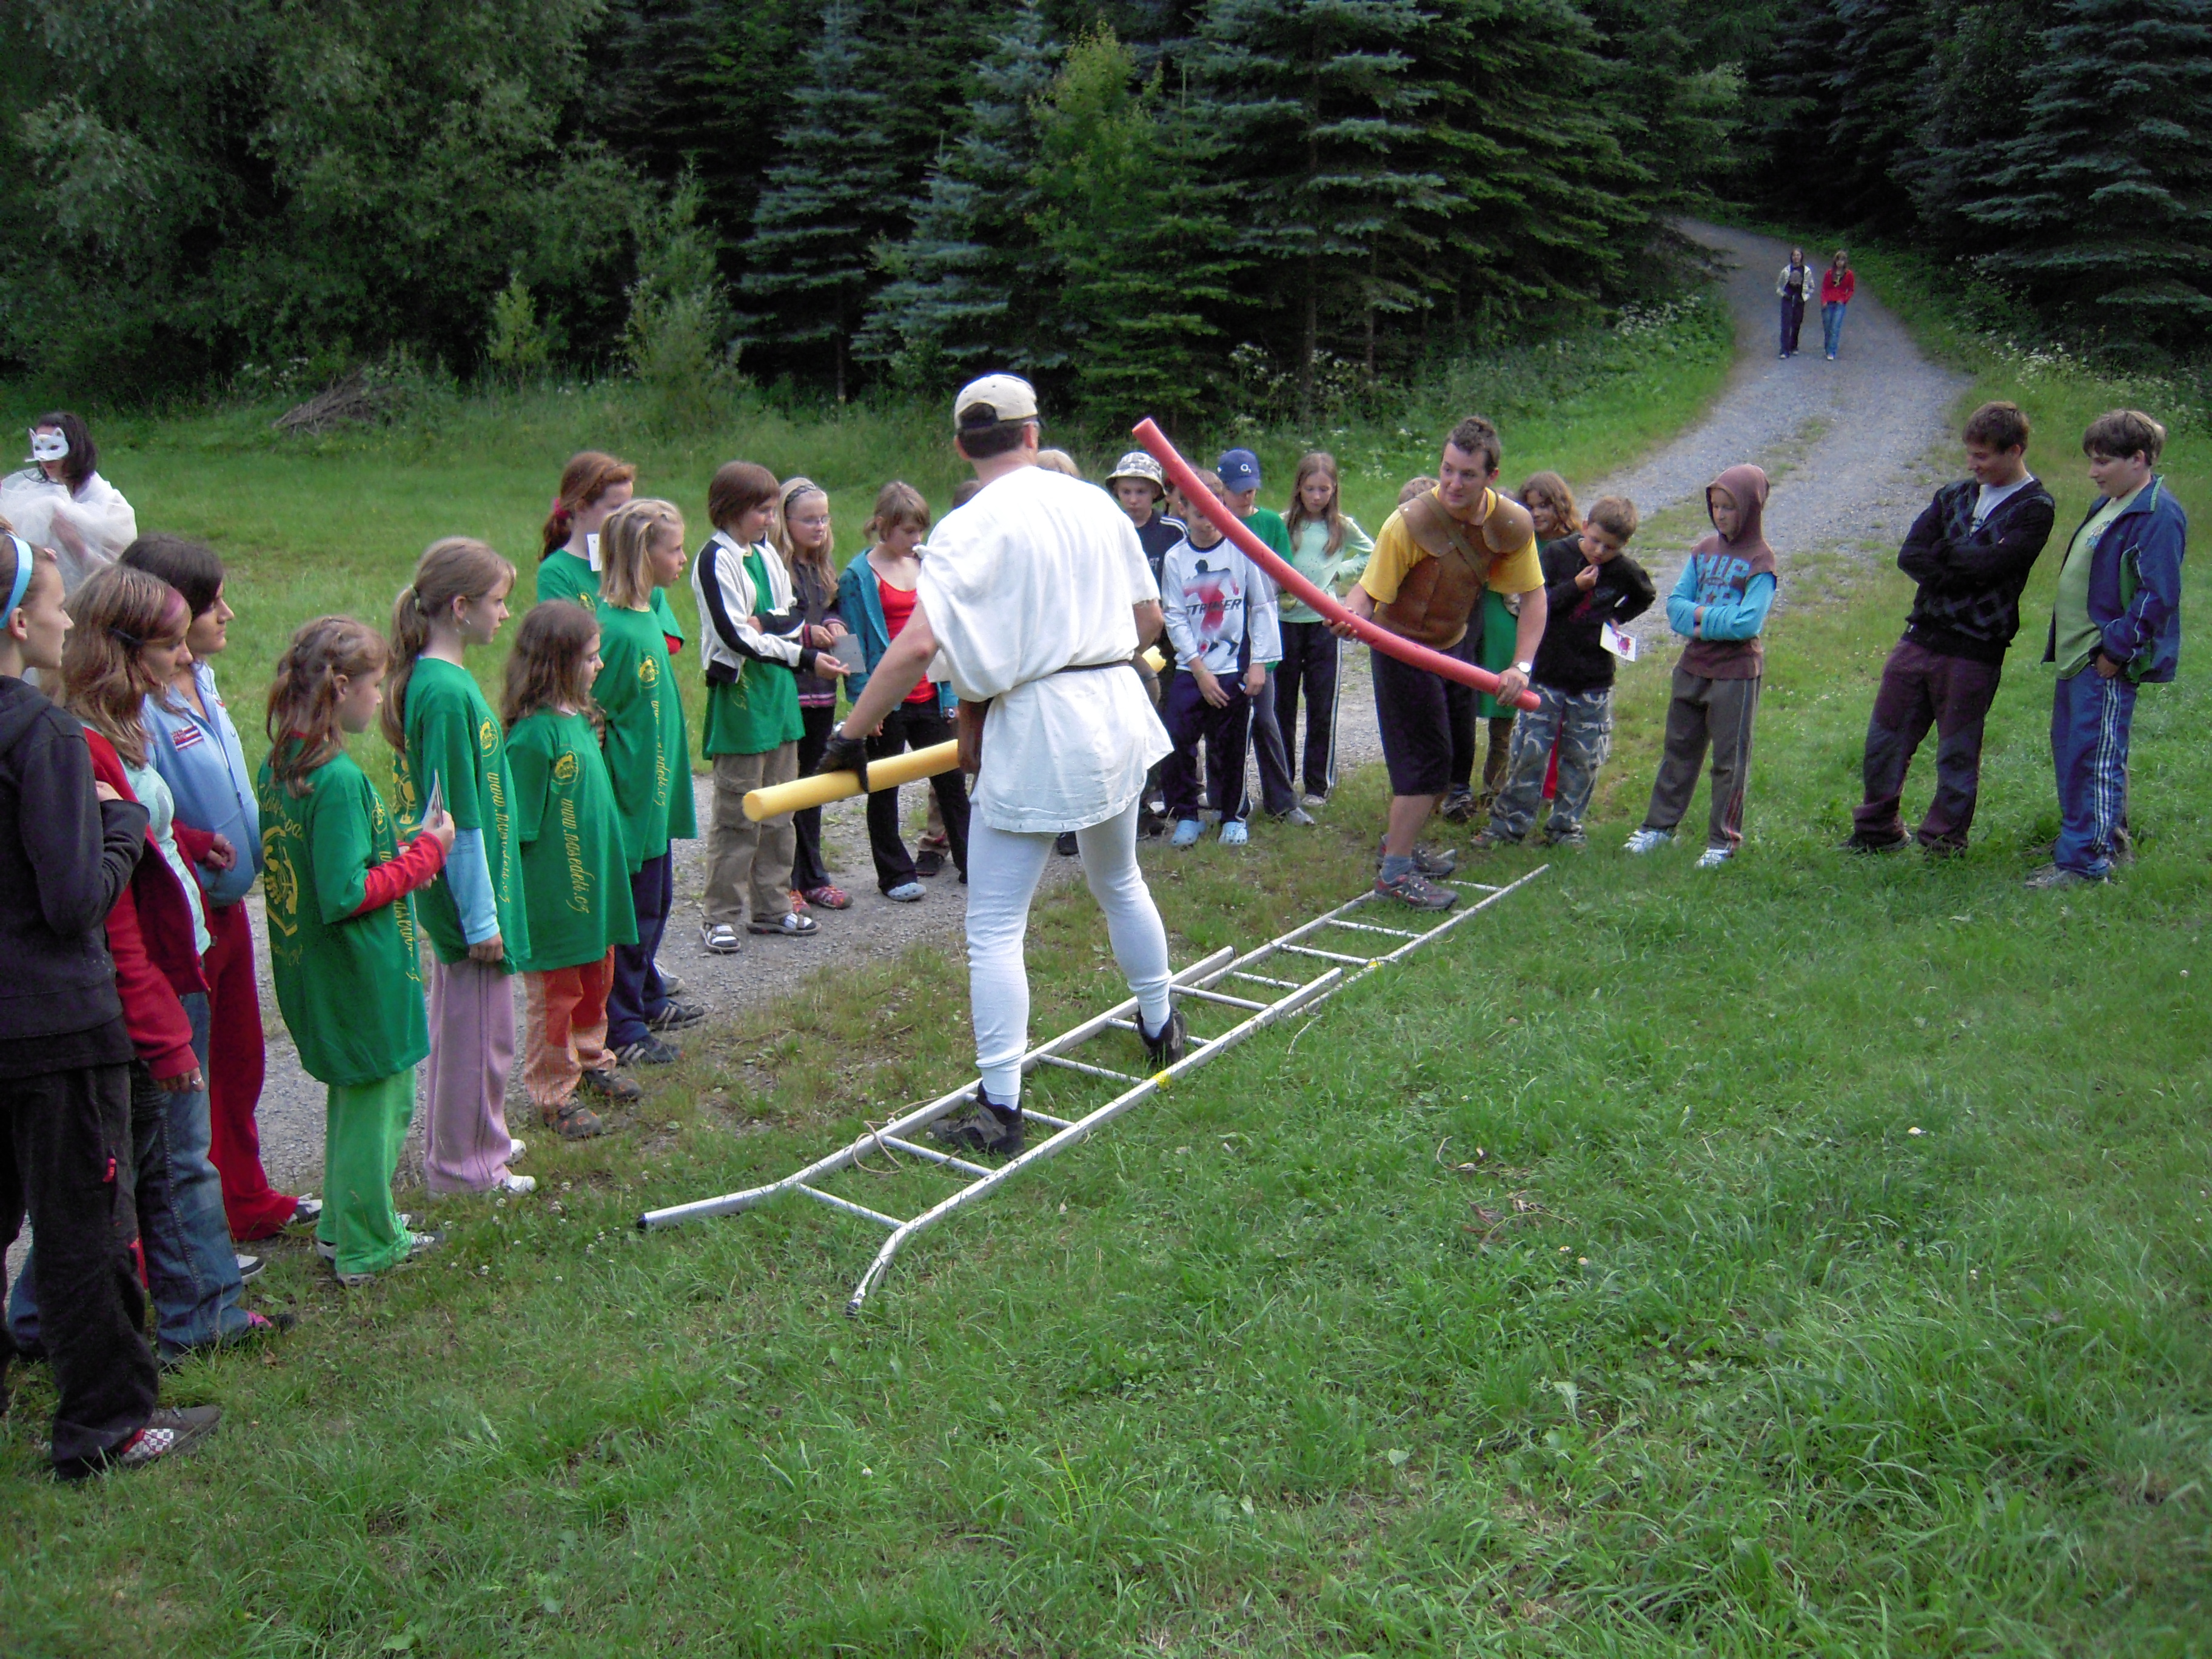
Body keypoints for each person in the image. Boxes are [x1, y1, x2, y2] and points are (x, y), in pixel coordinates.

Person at [820, 374, 1183, 1158]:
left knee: (993, 925)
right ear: (1033, 432)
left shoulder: (966, 528)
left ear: (961, 446)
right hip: (1112, 707)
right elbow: (1149, 619)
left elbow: (918, 645)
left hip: (1041, 724)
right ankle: (1162, 1025)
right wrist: (1097, 654)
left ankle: (1000, 1109)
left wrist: (850, 733)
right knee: (1119, 879)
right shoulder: (1096, 505)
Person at [15, 565, 289, 1367]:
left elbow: (138, 829)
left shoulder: (122, 727)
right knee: (171, 1165)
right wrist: (164, 1033)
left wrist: (190, 842)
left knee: (135, 1166)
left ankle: (38, 1319)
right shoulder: (82, 744)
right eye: (170, 644)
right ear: (123, 650)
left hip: (174, 973)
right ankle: (200, 1315)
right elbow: (113, 914)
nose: (185, 658)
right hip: (151, 989)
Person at [0, 532, 214, 1477]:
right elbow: (75, 898)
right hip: (57, 1026)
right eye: (53, 605)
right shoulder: (40, 736)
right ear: (18, 622)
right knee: (85, 1229)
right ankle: (106, 1425)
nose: (64, 620)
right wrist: (121, 825)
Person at [122, 535, 316, 1243]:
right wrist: (195, 843)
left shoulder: (200, 677)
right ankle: (187, 1237)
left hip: (230, 908)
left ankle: (245, 1198)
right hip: (185, 914)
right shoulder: (140, 704)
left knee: (240, 1061)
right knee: (189, 1080)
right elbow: (139, 808)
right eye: (212, 605)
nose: (227, 615)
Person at [257, 617, 454, 1285]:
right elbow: (344, 892)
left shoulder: (283, 762)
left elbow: (334, 856)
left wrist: (399, 841)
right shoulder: (336, 779)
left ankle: (342, 1227)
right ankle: (369, 1247)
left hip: (319, 971)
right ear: (340, 687)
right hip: (361, 973)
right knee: (383, 1106)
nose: (379, 697)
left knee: (355, 1104)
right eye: (374, 686)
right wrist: (426, 856)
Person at [1330, 418, 1547, 910]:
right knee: (1425, 764)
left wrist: (1521, 667)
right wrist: (1351, 616)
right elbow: (1367, 592)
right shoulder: (1408, 523)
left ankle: (1399, 845)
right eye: (1447, 469)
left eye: (1467, 474)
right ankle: (1395, 872)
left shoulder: (1510, 524)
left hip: (1453, 647)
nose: (1453, 483)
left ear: (1491, 477)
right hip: (1401, 650)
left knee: (1450, 760)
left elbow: (1534, 597)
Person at [385, 538, 535, 1199]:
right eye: (498, 602)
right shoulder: (444, 693)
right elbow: (457, 817)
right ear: (461, 606)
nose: (506, 614)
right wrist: (481, 919)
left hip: (472, 888)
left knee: (471, 1026)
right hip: (467, 892)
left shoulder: (444, 679)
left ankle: (478, 1137)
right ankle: (465, 1168)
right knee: (481, 1036)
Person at [1845, 401, 2057, 855]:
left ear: (2015, 451)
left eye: (1983, 456)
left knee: (1957, 751)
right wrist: (1966, 562)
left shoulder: (2035, 508)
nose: (1972, 464)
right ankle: (1877, 831)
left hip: (1976, 648)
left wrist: (1945, 554)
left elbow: (1996, 566)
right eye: (1970, 453)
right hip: (1920, 635)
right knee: (1885, 739)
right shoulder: (1953, 495)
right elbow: (1911, 555)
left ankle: (1944, 842)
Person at [2030, 410, 2187, 890]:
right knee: (2073, 754)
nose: (2092, 472)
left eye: (2103, 462)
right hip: (2076, 657)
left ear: (2138, 459)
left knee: (2093, 758)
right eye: (2092, 461)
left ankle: (2086, 863)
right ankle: (2088, 841)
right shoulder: (2112, 503)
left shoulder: (2157, 514)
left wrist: (2115, 651)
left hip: (2102, 661)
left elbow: (2157, 594)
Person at [503, 602, 642, 1138]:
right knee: (557, 994)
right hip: (555, 895)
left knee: (595, 979)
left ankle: (590, 1059)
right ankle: (553, 1089)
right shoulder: (532, 737)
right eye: (589, 658)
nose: (600, 665)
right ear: (556, 664)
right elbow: (518, 830)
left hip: (594, 887)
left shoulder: (580, 721)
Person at [694, 463, 839, 948]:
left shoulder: (767, 555)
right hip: (742, 700)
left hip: (778, 696)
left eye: (773, 511)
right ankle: (720, 914)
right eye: (762, 511)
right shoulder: (715, 559)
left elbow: (791, 615)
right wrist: (799, 653)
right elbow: (735, 636)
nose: (770, 521)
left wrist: (769, 623)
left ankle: (773, 906)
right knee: (738, 813)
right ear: (732, 509)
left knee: (780, 809)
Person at [1475, 497, 1654, 849]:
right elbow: (1538, 603)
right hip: (1547, 675)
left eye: (1610, 547)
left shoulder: (1625, 571)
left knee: (1583, 756)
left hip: (1593, 680)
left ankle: (1566, 827)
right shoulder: (1557, 555)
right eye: (1595, 541)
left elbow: (1645, 595)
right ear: (1585, 527)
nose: (1600, 551)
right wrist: (1576, 587)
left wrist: (1617, 618)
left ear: (1624, 546)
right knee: (1529, 751)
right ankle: (1508, 825)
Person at [592, 500, 702, 1064]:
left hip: (654, 792)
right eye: (674, 549)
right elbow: (593, 713)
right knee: (633, 913)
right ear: (642, 554)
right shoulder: (614, 631)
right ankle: (623, 1027)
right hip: (631, 797)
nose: (683, 559)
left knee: (657, 900)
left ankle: (649, 998)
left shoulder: (646, 616)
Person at [1625, 464, 1777, 866]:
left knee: (1729, 761)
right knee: (1678, 749)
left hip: (1736, 674)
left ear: (1751, 509)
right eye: (1715, 506)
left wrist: (1700, 619)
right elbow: (1675, 607)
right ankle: (1659, 827)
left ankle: (1722, 842)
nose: (1720, 515)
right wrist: (1710, 620)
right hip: (1692, 666)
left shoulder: (1761, 561)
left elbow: (1748, 622)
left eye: (1730, 507)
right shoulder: (1703, 551)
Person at [834, 482, 970, 897]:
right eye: (909, 531)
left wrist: (951, 696)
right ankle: (895, 875)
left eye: (920, 530)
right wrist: (864, 704)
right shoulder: (857, 576)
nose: (917, 539)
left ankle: (972, 862)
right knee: (883, 785)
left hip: (931, 694)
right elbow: (848, 643)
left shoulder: (927, 566)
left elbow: (944, 632)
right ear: (883, 525)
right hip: (887, 700)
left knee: (951, 781)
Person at [1160, 469, 1279, 846]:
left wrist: (1259, 663)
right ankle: (1187, 815)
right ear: (1183, 510)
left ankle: (1233, 815)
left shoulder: (1242, 550)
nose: (1208, 522)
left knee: (1230, 745)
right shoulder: (1176, 558)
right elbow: (1175, 616)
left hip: (1234, 667)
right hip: (1193, 669)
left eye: (1215, 513)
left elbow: (1262, 605)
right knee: (1177, 738)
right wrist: (1198, 671)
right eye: (1199, 514)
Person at [1214, 449, 1307, 826]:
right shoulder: (1212, 522)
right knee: (1220, 720)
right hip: (1220, 632)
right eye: (1238, 490)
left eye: (1251, 488)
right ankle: (1222, 800)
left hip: (1258, 629)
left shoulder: (1269, 522)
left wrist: (1257, 585)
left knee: (1265, 718)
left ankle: (1282, 802)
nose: (1246, 496)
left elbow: (1285, 575)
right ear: (1222, 489)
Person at [1275, 452, 1372, 805]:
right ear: (1298, 488)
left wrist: (1339, 573)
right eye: (1310, 489)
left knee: (1321, 705)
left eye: (1324, 490)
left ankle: (1318, 785)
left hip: (1324, 625)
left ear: (1334, 491)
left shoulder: (1341, 526)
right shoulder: (1283, 524)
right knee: (1282, 706)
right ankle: (1281, 781)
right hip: (1284, 624)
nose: (1316, 497)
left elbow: (1372, 554)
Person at [774, 478, 852, 911]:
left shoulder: (825, 568)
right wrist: (808, 635)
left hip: (824, 693)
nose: (819, 526)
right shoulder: (776, 568)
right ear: (785, 522)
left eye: (824, 518)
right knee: (786, 787)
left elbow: (837, 610)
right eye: (808, 519)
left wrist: (837, 626)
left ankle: (814, 875)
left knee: (813, 786)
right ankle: (783, 879)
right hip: (789, 691)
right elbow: (770, 625)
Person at [537, 450, 688, 659]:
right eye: (616, 508)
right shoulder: (556, 572)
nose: (626, 517)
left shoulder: (632, 561)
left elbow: (670, 640)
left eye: (630, 506)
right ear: (581, 507)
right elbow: (565, 648)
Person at [0, 413, 138, 594]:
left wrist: (74, 542)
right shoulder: (34, 491)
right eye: (39, 448)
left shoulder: (112, 507)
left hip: (92, 599)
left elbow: (120, 577)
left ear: (74, 449)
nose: (45, 458)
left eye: (53, 448)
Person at [1777, 247, 1815, 357]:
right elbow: (1779, 285)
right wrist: (1783, 294)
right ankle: (1784, 350)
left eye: (1798, 255)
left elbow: (1812, 286)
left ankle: (1793, 346)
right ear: (1791, 257)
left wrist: (1806, 296)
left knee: (1797, 323)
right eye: (1794, 255)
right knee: (1786, 324)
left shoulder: (1806, 271)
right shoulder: (1786, 271)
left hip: (1799, 299)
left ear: (1802, 257)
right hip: (1788, 299)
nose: (1796, 257)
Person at [1820, 250, 1855, 361]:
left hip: (1840, 303)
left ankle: (1832, 351)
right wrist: (1824, 301)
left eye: (1842, 260)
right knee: (1828, 327)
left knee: (1835, 327)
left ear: (1845, 262)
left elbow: (1851, 289)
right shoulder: (1829, 273)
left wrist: (1845, 299)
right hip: (1828, 302)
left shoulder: (1849, 275)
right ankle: (1827, 348)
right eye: (1838, 260)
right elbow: (1824, 288)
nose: (1840, 262)